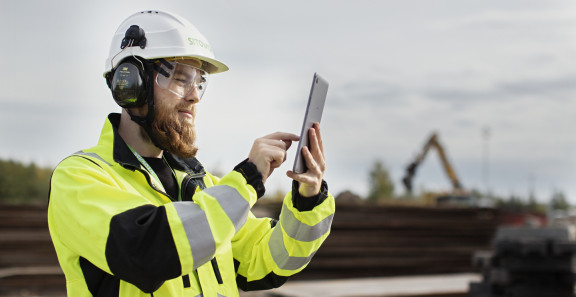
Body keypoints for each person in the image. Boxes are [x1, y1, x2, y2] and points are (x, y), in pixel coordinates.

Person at [47, 10, 335, 297]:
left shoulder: (204, 187)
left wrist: (308, 200)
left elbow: (268, 259)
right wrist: (247, 180)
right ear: (131, 84)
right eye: (180, 78)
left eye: (199, 82)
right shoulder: (79, 178)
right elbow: (148, 251)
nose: (195, 95)